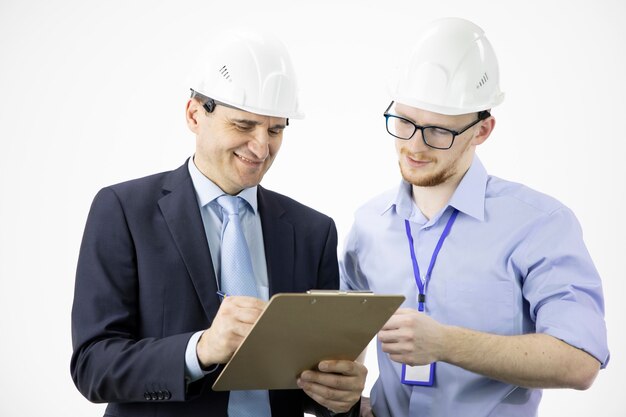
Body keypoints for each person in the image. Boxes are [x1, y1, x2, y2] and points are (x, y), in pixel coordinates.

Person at [71, 29, 366, 417]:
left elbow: (312, 386)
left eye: (275, 129)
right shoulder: (125, 211)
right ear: (194, 114)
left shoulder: (313, 231)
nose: (261, 147)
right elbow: (93, 365)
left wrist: (340, 396)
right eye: (243, 125)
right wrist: (200, 349)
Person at [340, 17, 609, 417]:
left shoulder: (541, 224)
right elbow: (345, 339)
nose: (415, 146)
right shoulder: (368, 224)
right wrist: (347, 401)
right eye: (404, 122)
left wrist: (446, 344)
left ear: (482, 131)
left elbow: (580, 360)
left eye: (437, 132)